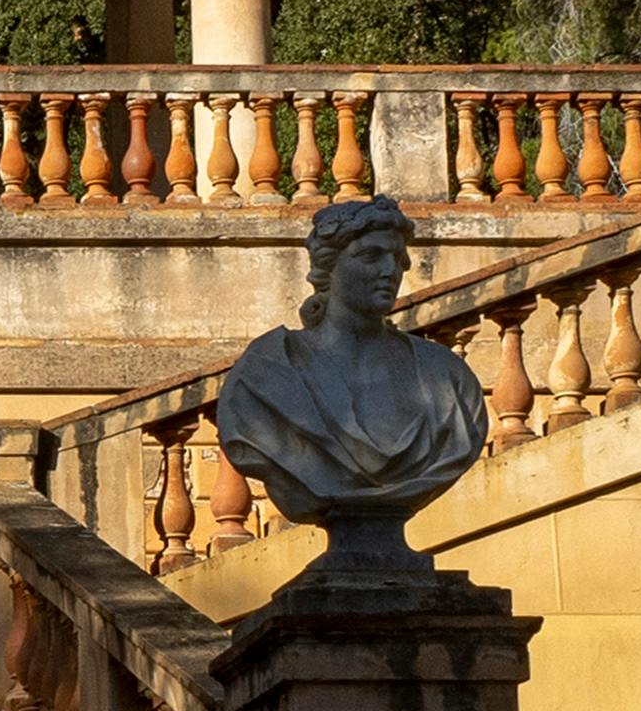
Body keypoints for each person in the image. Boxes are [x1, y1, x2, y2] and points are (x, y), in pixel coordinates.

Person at [210, 197, 490, 578]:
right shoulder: (266, 374)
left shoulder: (448, 379)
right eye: (371, 256)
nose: (389, 271)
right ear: (329, 267)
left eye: (398, 259)